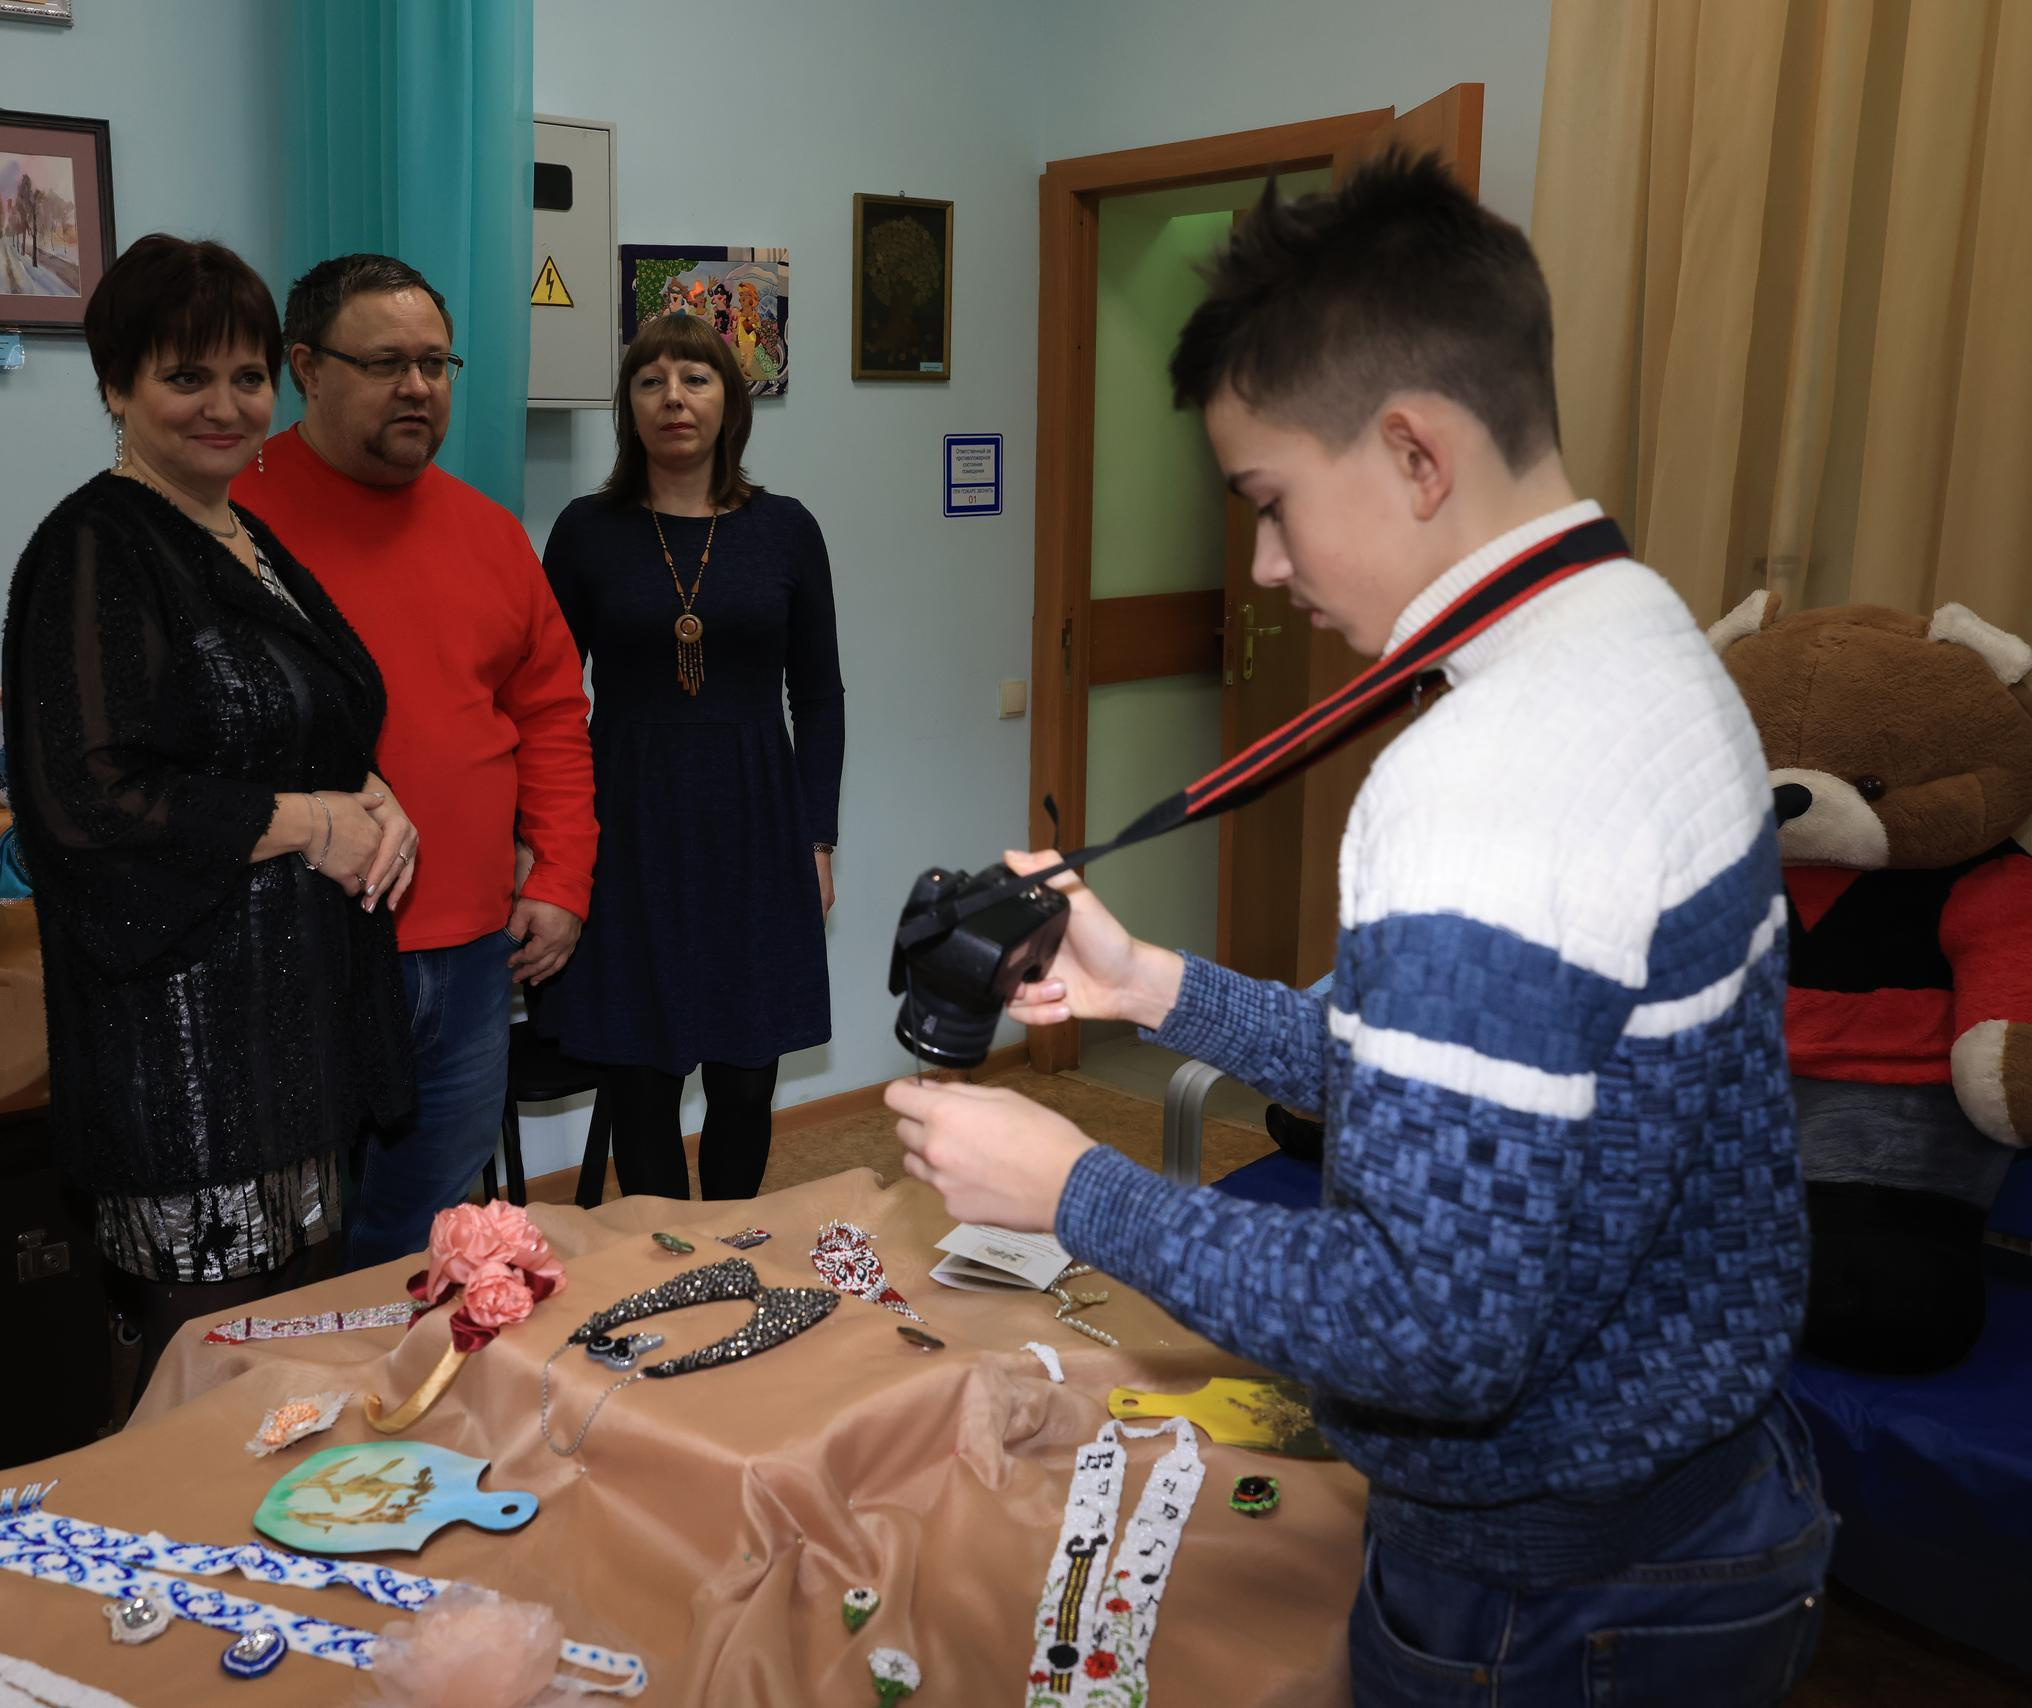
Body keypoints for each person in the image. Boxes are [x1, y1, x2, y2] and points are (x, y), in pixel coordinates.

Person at [887, 155, 1827, 1702]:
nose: (1264, 565)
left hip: (1552, 1591)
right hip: (1698, 1501)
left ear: (1413, 451)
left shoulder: (1486, 780)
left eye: (1269, 504)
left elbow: (1430, 1330)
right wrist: (1157, 986)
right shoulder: (1644, 641)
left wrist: (1077, 1189)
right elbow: (1454, 1092)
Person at [3, 235, 415, 1392]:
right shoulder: (94, 543)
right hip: (180, 1062)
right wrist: (313, 823)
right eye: (187, 378)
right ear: (115, 387)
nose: (226, 407)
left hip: (292, 1039)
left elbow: (305, 720)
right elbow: (89, 796)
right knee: (208, 1390)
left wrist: (377, 800)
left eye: (246, 377)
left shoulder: (238, 530)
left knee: (305, 1376)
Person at [234, 253, 594, 1269]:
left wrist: (561, 876)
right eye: (387, 362)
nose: (418, 387)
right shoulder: (229, 524)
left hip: (471, 953)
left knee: (425, 1236)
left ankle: (404, 1417)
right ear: (306, 367)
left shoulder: (487, 533)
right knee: (296, 1246)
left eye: (436, 363)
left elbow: (554, 717)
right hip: (298, 950)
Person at [539, 311, 843, 1199]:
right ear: (628, 408)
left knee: (747, 1073)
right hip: (625, 824)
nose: (674, 397)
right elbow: (548, 698)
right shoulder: (586, 530)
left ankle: (731, 1248)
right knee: (641, 1070)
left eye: (696, 378)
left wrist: (817, 840)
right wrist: (546, 844)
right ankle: (658, 1263)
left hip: (758, 824)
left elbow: (818, 698)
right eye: (651, 380)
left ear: (730, 403)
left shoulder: (787, 529)